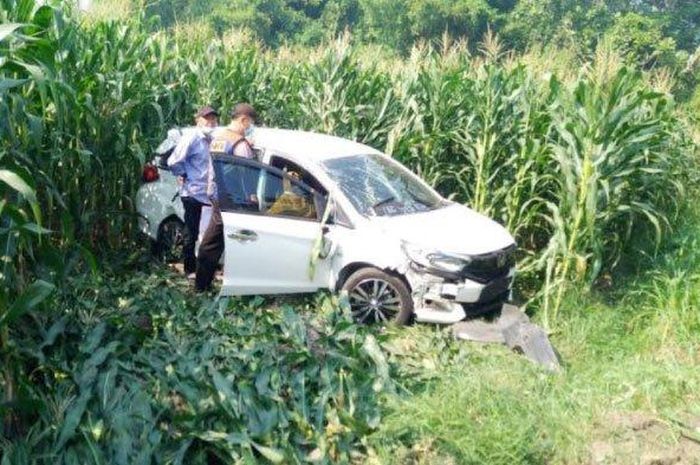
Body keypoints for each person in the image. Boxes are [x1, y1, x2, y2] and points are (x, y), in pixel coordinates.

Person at [195, 103, 257, 292]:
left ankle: (202, 284)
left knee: (213, 240)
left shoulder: (219, 139)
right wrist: (253, 199)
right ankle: (207, 285)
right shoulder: (240, 144)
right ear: (243, 120)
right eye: (251, 123)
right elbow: (246, 175)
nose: (251, 128)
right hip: (234, 199)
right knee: (235, 241)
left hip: (217, 195)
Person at [167, 105, 219, 278]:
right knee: (192, 232)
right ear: (198, 120)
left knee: (206, 234)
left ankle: (204, 267)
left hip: (209, 194)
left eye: (213, 119)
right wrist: (183, 174)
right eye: (207, 119)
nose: (211, 122)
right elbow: (173, 161)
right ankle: (190, 269)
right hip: (193, 193)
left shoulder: (214, 139)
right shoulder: (191, 138)